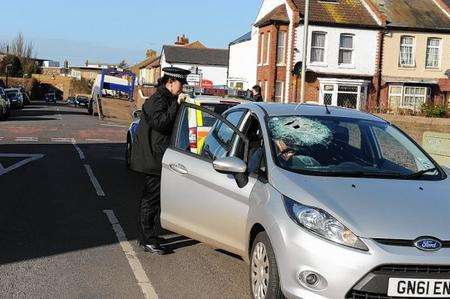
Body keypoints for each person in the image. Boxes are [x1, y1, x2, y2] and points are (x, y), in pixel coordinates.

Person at [131, 67, 190, 255]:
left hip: (158, 156)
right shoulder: (158, 100)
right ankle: (147, 238)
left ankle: (149, 235)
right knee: (151, 199)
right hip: (153, 158)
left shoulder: (167, 99)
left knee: (154, 198)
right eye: (180, 84)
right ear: (170, 82)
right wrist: (176, 105)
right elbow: (161, 123)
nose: (182, 89)